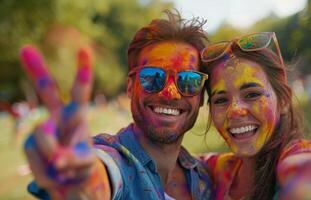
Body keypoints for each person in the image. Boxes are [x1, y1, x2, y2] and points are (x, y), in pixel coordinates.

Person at [21, 10, 212, 199]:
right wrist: (84, 182)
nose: (171, 93)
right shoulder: (113, 160)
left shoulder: (205, 176)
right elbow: (100, 174)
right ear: (130, 87)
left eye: (189, 80)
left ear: (202, 96)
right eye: (153, 77)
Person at [199, 32, 311, 199]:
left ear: (284, 101)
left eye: (252, 94)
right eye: (221, 100)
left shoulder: (301, 155)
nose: (235, 110)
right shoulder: (218, 170)